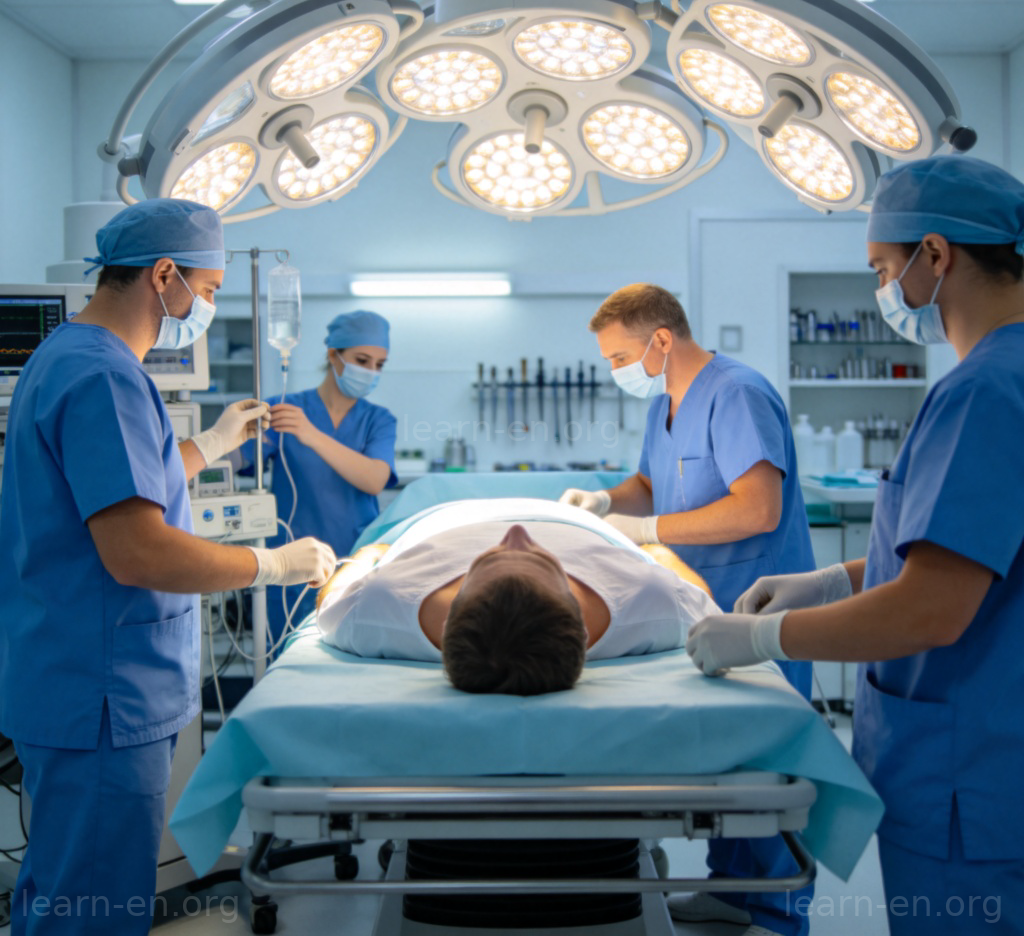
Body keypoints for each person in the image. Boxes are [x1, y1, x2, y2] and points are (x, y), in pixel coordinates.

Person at [686, 155, 1024, 936]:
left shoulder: (982, 391)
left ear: (935, 257)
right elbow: (971, 556)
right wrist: (833, 582)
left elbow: (932, 610)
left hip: (972, 787)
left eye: (882, 269)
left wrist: (764, 637)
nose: (885, 292)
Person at [0, 198, 336, 936]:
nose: (207, 306)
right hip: (104, 692)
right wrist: (269, 562)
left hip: (75, 678)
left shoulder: (66, 359)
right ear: (164, 276)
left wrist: (210, 445)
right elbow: (137, 549)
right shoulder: (105, 378)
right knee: (90, 906)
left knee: (62, 888)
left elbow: (120, 482)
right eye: (209, 290)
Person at [561, 283, 816, 936]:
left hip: (758, 606)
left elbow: (757, 507)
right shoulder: (665, 404)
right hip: (701, 606)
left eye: (620, 357)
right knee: (729, 760)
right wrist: (604, 502)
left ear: (661, 341)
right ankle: (732, 893)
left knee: (763, 765)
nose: (617, 371)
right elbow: (648, 485)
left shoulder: (737, 392)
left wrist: (653, 531)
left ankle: (775, 913)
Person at [315, 498, 717, 696]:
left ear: (451, 610)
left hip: (446, 518)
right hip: (580, 522)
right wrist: (651, 548)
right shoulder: (651, 600)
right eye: (545, 562)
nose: (517, 534)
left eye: (484, 562)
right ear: (580, 618)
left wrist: (372, 554)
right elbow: (695, 592)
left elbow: (330, 602)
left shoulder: (383, 604)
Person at [241, 309, 398, 646]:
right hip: (290, 564)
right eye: (362, 359)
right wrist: (229, 431)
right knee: (283, 658)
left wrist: (310, 434)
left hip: (355, 563)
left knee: (353, 655)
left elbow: (374, 479)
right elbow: (235, 463)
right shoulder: (284, 409)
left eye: (379, 364)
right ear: (333, 355)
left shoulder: (378, 420)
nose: (370, 371)